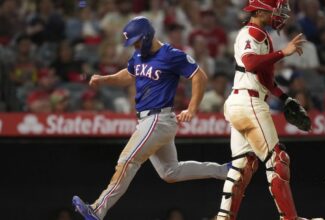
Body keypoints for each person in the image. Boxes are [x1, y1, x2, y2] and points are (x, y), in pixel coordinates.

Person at [72, 16, 228, 220]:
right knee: (170, 172)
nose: (135, 45)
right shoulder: (138, 56)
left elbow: (200, 76)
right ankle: (224, 171)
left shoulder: (170, 54)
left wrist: (192, 108)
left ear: (147, 36)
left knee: (127, 161)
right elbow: (129, 74)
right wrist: (104, 79)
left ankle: (97, 210)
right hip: (150, 120)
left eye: (136, 41)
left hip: (158, 119)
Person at [215, 1, 322, 220]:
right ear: (261, 10)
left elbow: (264, 78)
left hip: (243, 101)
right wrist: (284, 52)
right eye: (275, 10)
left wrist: (285, 98)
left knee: (242, 166)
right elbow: (250, 62)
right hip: (249, 103)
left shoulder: (260, 33)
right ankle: (290, 218)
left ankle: (224, 217)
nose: (280, 15)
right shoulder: (251, 31)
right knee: (278, 160)